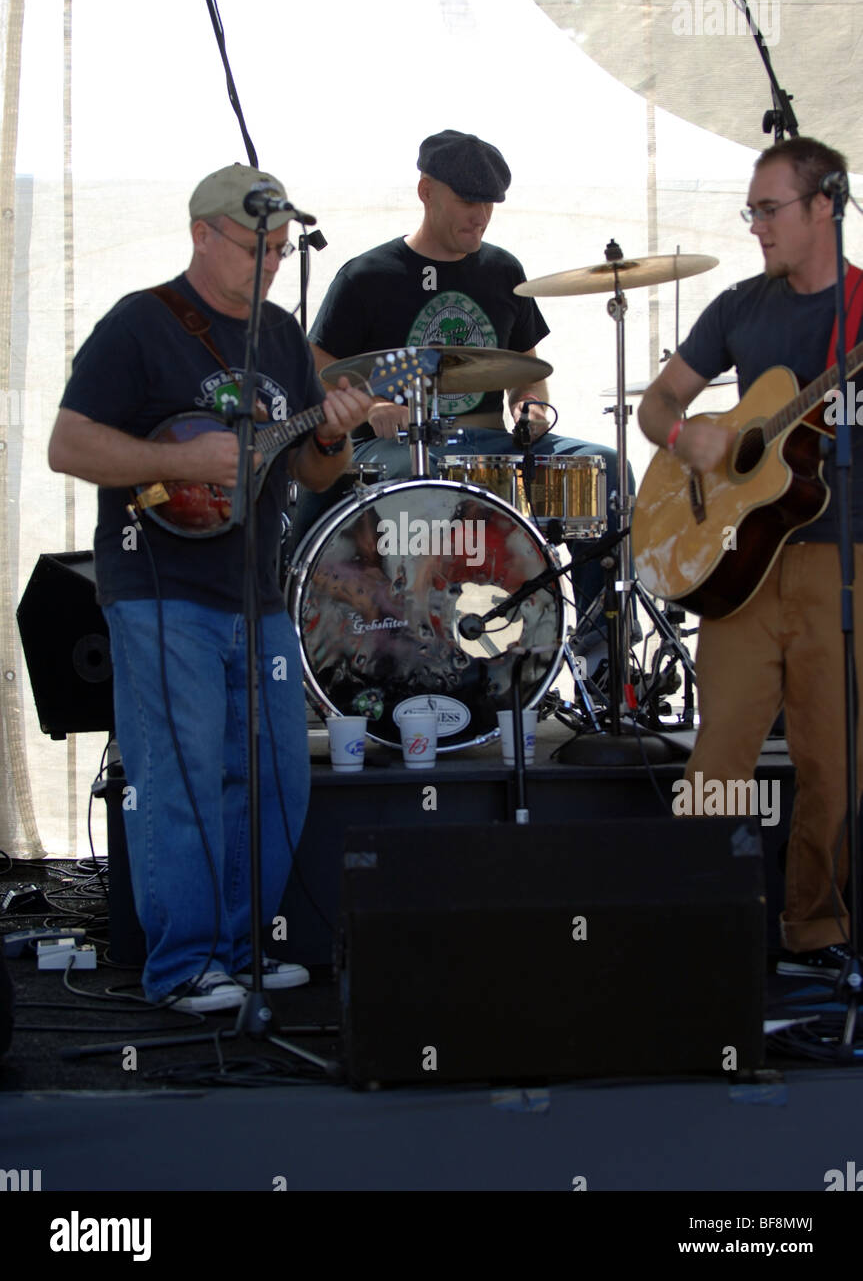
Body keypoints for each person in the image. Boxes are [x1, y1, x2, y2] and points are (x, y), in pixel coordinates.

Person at [47, 163, 373, 1012]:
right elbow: (69, 446)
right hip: (157, 586)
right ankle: (183, 964)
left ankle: (240, 950)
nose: (270, 259)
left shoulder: (283, 341)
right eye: (255, 244)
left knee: (272, 775)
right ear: (203, 234)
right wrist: (175, 461)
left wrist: (337, 433)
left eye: (280, 246)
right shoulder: (141, 326)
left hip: (255, 591)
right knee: (182, 775)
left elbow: (309, 464)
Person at [637, 135, 863, 978]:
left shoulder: (860, 306)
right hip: (739, 566)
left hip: (843, 559)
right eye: (752, 210)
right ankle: (699, 923)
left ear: (823, 207)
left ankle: (815, 934)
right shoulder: (739, 306)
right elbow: (660, 400)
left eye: (769, 210)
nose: (756, 226)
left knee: (831, 765)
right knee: (719, 755)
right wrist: (685, 435)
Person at [293, 129, 631, 622]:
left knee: (605, 469)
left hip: (492, 451)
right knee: (418, 479)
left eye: (490, 203)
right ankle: (403, 633)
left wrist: (529, 406)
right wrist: (373, 406)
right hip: (392, 454)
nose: (481, 215)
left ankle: (604, 646)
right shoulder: (367, 277)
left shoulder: (502, 271)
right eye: (469, 200)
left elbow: (527, 371)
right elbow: (318, 368)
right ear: (426, 191)